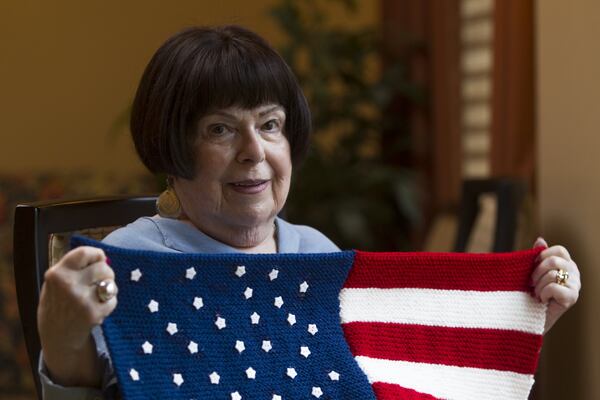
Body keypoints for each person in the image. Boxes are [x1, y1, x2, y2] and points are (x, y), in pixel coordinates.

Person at [35, 25, 581, 399]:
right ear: (171, 150)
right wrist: (61, 338)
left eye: (270, 124)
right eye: (220, 129)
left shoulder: (317, 256)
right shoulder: (131, 261)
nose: (256, 151)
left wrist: (526, 314)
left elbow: (396, 380)